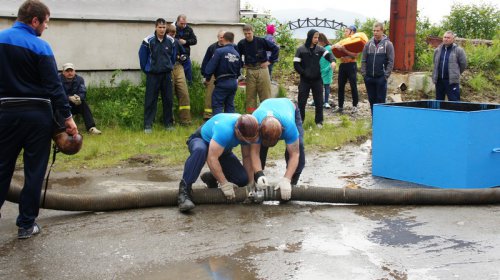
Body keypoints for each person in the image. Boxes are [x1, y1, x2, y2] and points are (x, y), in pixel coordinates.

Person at [0, 0, 78, 239]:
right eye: (45, 23)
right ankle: (26, 224)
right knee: (34, 171)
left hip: (5, 114)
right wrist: (68, 118)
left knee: (2, 168)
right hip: (37, 117)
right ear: (35, 21)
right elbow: (54, 88)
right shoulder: (40, 47)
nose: (46, 27)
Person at [177, 113, 259, 212]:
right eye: (244, 140)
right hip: (201, 140)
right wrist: (224, 183)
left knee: (242, 179)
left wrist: (250, 183)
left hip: (221, 149)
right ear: (237, 131)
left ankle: (212, 177)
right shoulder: (225, 130)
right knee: (200, 151)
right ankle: (184, 192)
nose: (246, 142)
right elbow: (211, 158)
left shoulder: (249, 130)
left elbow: (246, 157)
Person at [250, 98, 305, 201]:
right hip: (266, 108)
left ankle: (292, 182)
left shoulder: (289, 125)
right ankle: (258, 182)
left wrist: (286, 179)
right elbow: (254, 152)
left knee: (300, 147)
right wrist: (259, 174)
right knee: (260, 150)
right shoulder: (255, 123)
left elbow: (295, 154)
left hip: (289, 107)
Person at [293, 29, 336, 128]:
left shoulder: (320, 49)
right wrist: (304, 73)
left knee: (319, 102)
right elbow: (296, 65)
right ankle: (300, 121)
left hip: (317, 80)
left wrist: (333, 61)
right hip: (305, 80)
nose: (316, 39)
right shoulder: (301, 49)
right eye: (315, 37)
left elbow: (329, 56)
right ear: (309, 37)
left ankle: (319, 122)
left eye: (317, 38)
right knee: (301, 102)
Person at [138, 18, 175, 133]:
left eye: (164, 27)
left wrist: (168, 66)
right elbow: (142, 56)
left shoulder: (171, 40)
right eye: (160, 27)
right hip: (153, 75)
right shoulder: (148, 40)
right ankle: (148, 125)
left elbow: (172, 57)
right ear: (155, 27)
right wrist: (147, 70)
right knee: (150, 100)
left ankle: (168, 124)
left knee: (168, 99)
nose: (162, 30)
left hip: (166, 74)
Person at [237, 24, 279, 113]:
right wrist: (242, 64)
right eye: (245, 34)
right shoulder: (241, 43)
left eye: (249, 33)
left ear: (253, 31)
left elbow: (275, 49)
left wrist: (269, 61)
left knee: (265, 95)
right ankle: (251, 118)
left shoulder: (261, 41)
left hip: (262, 69)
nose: (247, 35)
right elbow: (237, 56)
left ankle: (266, 116)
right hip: (250, 70)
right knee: (250, 97)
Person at [361, 22, 394, 115]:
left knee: (380, 101)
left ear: (382, 31)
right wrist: (364, 75)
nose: (375, 33)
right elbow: (363, 60)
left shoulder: (388, 44)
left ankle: (381, 122)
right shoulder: (368, 44)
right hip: (369, 77)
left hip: (381, 78)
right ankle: (374, 122)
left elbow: (391, 62)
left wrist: (385, 76)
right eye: (374, 31)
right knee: (371, 100)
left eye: (377, 31)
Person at [204, 32, 241, 115]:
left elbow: (210, 67)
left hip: (222, 82)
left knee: (217, 105)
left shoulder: (219, 51)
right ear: (232, 40)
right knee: (230, 105)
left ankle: (218, 125)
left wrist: (207, 78)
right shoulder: (236, 54)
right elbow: (238, 72)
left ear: (224, 39)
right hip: (233, 83)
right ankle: (230, 125)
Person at [59, 63, 101, 134]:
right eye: (67, 71)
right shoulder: (58, 80)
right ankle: (61, 130)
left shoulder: (80, 79)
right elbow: (57, 94)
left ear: (74, 71)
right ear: (63, 72)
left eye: (71, 71)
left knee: (83, 104)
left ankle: (91, 128)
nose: (70, 73)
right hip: (62, 105)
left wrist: (79, 98)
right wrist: (68, 98)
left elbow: (83, 92)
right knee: (56, 106)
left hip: (75, 105)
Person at [166, 24, 191, 125]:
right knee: (169, 94)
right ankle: (170, 120)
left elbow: (184, 54)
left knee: (184, 93)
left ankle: (185, 120)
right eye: (170, 34)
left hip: (178, 67)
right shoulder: (163, 43)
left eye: (174, 34)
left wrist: (182, 57)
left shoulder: (176, 42)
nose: (172, 36)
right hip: (167, 69)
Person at [432, 31, 467, 101]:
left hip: (451, 81)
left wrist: (455, 73)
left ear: (453, 39)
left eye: (448, 38)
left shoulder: (458, 50)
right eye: (444, 37)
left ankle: (455, 112)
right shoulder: (437, 50)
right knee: (439, 102)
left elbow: (463, 64)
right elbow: (434, 63)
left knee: (454, 102)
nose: (446, 39)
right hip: (439, 81)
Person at [333, 25, 360, 114]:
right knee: (340, 86)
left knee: (353, 86)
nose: (345, 33)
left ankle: (355, 106)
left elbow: (355, 55)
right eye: (344, 31)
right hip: (342, 66)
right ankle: (340, 106)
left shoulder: (355, 42)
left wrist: (344, 50)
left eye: (346, 31)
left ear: (352, 32)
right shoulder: (344, 41)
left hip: (351, 65)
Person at [201, 30, 226, 121]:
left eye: (223, 37)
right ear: (217, 37)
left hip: (224, 75)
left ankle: (223, 114)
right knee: (209, 95)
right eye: (220, 37)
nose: (222, 39)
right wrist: (204, 75)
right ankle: (207, 116)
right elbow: (206, 61)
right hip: (212, 75)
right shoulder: (212, 48)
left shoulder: (230, 47)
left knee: (223, 95)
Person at [175, 14, 197, 83]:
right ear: (177, 21)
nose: (183, 25)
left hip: (185, 53)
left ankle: (189, 86)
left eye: (185, 23)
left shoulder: (189, 29)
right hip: (175, 53)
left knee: (187, 71)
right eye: (181, 23)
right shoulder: (172, 28)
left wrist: (186, 42)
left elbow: (194, 41)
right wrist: (177, 41)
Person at [317, 33, 335, 109]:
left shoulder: (329, 48)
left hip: (327, 70)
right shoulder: (318, 48)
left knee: (326, 86)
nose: (318, 43)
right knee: (317, 87)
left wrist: (328, 68)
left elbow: (332, 59)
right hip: (319, 70)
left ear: (322, 40)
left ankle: (326, 102)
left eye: (319, 41)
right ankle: (316, 101)